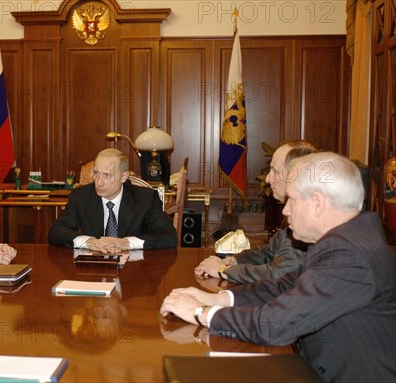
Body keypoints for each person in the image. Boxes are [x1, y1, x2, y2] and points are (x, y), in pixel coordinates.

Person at [160, 152, 396, 382]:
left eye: (291, 200)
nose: (285, 210)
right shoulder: (343, 242)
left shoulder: (350, 255)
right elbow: (284, 286)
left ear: (317, 203)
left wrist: (199, 313)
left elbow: (277, 324)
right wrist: (216, 299)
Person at [195, 140, 316, 283]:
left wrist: (223, 271)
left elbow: (278, 274)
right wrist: (233, 261)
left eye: (275, 171)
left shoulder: (307, 219)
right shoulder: (295, 210)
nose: (268, 178)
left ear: (295, 175)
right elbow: (269, 251)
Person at [48, 148, 177, 252]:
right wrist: (89, 241)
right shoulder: (81, 196)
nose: (99, 182)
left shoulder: (145, 198)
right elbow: (56, 232)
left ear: (124, 176)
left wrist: (125, 242)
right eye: (96, 173)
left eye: (107, 175)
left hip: (134, 271)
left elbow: (168, 236)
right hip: (92, 271)